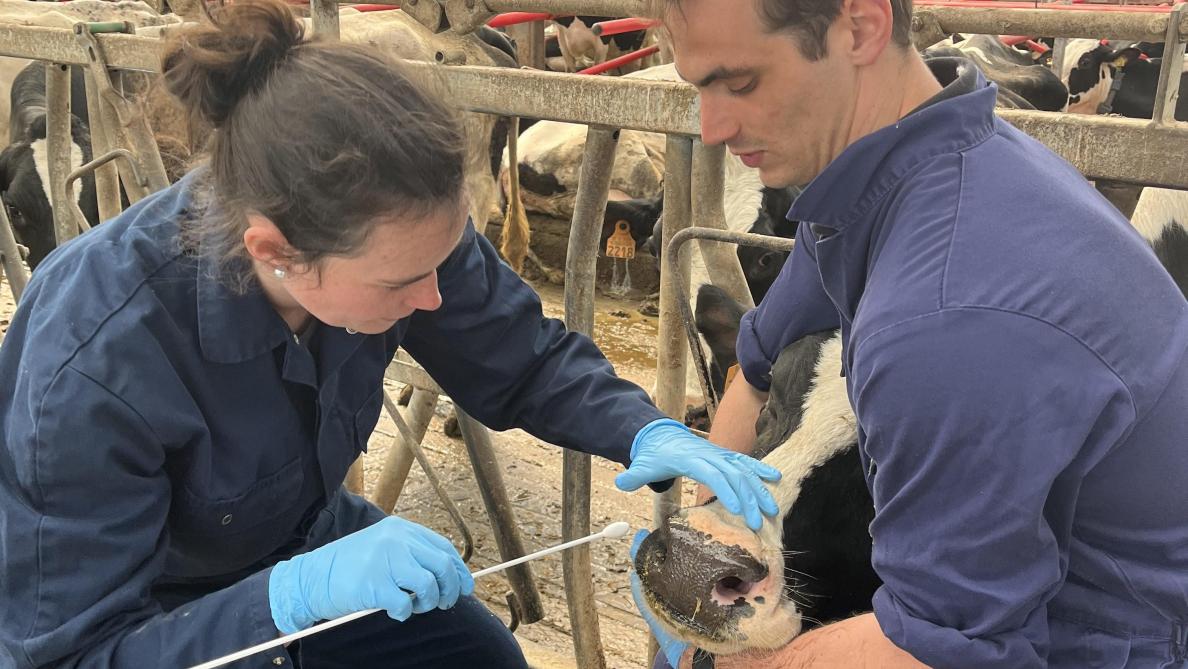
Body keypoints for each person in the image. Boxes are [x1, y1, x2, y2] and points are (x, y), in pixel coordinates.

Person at [0, 3, 785, 667]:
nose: (433, 297)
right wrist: (290, 598)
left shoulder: (404, 234)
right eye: (400, 285)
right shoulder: (96, 357)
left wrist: (640, 425)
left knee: (480, 657)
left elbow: (519, 357)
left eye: (443, 260)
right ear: (275, 251)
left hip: (307, 537)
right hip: (162, 611)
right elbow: (72, 651)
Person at [631, 0, 1188, 667]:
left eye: (741, 82)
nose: (713, 127)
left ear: (861, 26)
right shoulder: (880, 173)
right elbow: (753, 370)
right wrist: (715, 539)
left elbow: (942, 649)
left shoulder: (948, 311)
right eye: (697, 86)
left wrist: (711, 659)